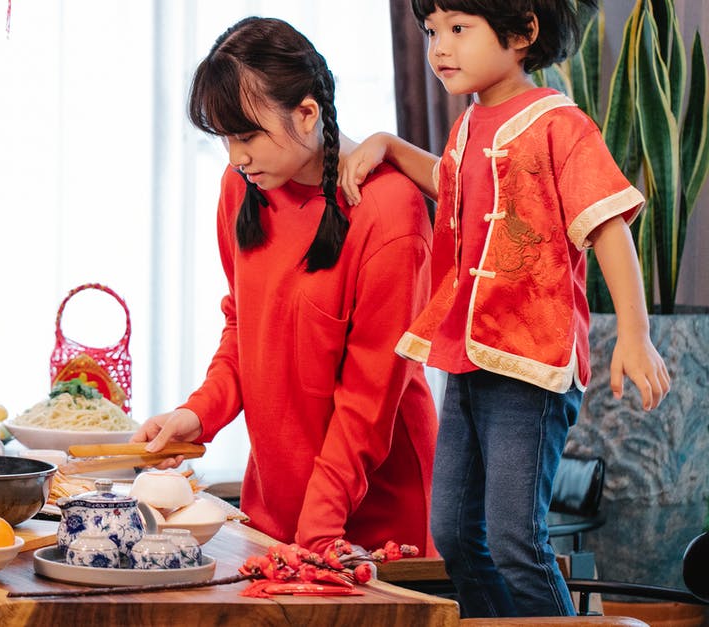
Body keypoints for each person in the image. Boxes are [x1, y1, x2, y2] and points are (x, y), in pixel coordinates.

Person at [339, 0, 671, 618]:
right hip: (467, 358)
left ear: (523, 32)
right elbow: (450, 182)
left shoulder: (559, 124)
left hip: (530, 365)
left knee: (516, 538)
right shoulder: (469, 124)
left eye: (458, 30)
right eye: (431, 31)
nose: (439, 47)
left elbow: (606, 224)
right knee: (457, 535)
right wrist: (386, 143)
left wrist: (635, 331)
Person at [132, 16, 439, 558]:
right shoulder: (243, 187)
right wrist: (201, 412)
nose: (235, 156)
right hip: (275, 513)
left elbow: (367, 403)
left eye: (247, 136)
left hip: (374, 525)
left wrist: (318, 533)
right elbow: (245, 327)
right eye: (226, 138)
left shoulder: (390, 211)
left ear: (306, 113)